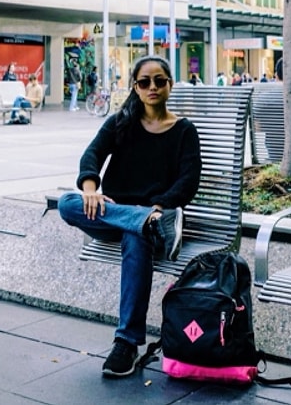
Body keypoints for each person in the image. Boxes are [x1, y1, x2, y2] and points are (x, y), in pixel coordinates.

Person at [57, 56, 201, 378]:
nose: (152, 87)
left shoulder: (183, 131)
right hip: (111, 215)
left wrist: (159, 208)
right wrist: (91, 189)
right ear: (135, 87)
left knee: (137, 237)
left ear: (170, 85)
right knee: (67, 203)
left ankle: (126, 343)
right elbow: (92, 154)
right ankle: (141, 220)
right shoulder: (120, 122)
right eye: (144, 82)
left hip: (154, 218)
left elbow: (188, 181)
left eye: (159, 81)